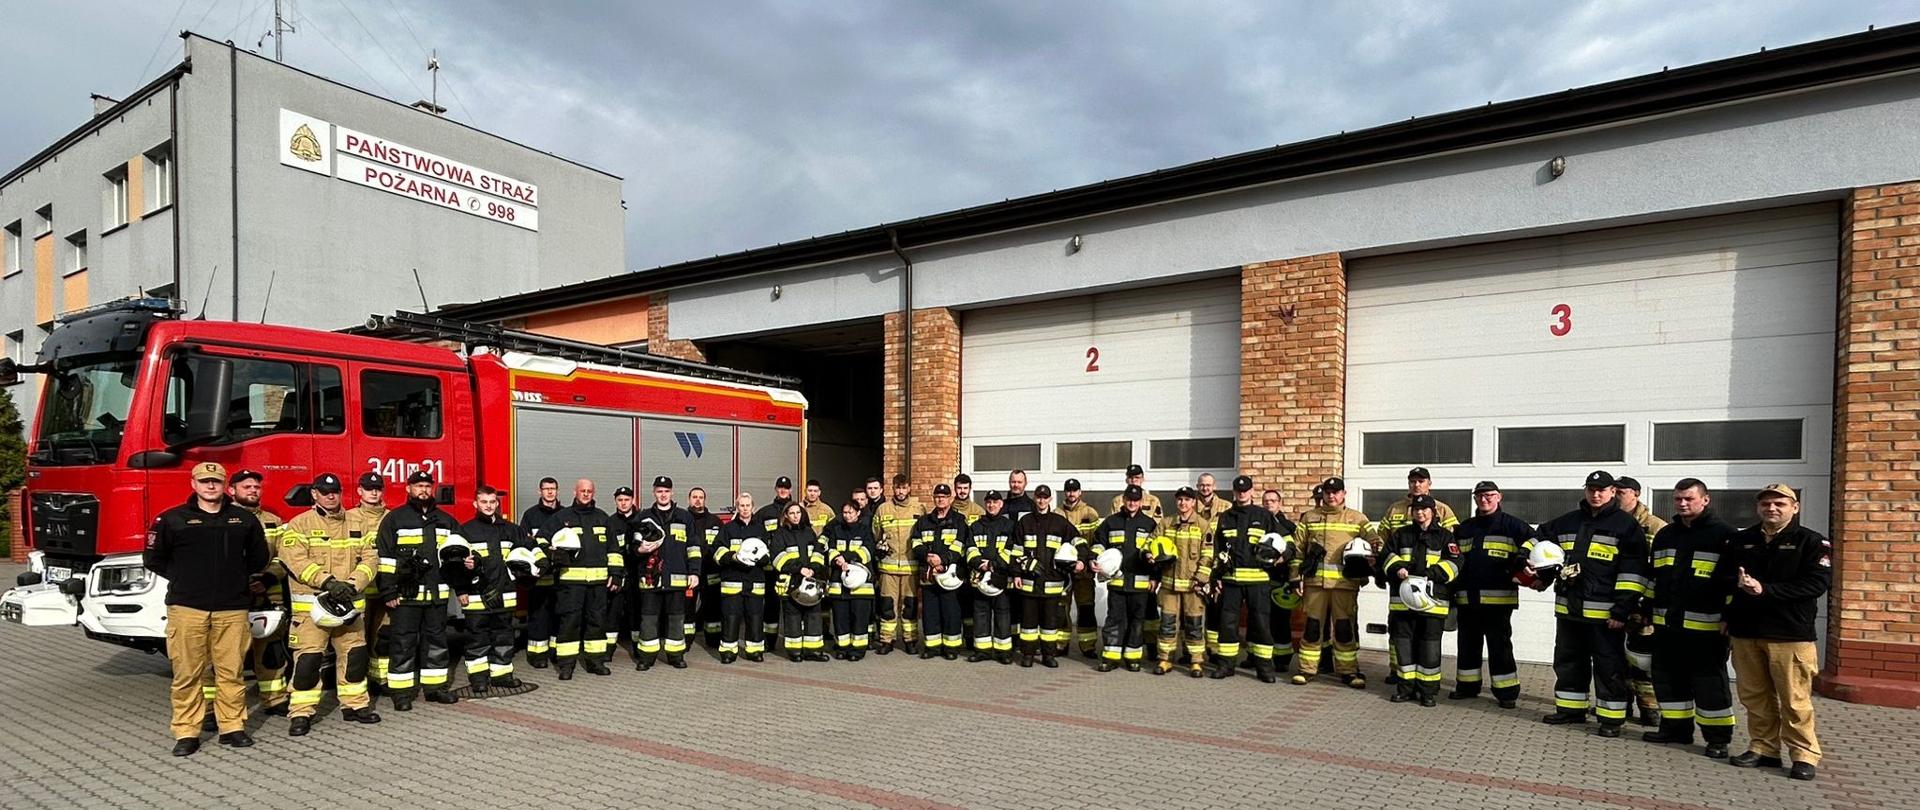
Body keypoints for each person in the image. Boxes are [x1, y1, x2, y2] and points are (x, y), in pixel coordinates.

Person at [146, 462, 270, 756]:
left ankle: (232, 728)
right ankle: (187, 732)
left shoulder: (243, 519)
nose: (210, 486)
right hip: (187, 607)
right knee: (188, 674)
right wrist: (185, 579)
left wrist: (236, 579)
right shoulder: (171, 520)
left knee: (232, 672)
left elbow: (259, 558)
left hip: (233, 608)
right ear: (194, 484)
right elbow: (154, 559)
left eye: (215, 481)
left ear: (224, 485)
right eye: (204, 481)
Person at [1531, 470, 1649, 737]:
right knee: (1568, 662)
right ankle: (1571, 710)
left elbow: (1634, 573)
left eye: (1602, 490)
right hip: (1569, 610)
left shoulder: (1625, 526)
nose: (1596, 494)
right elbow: (1546, 548)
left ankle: (1611, 719)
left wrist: (1622, 610)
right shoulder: (1567, 522)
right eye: (1591, 489)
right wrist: (1538, 572)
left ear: (1612, 492)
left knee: (1609, 667)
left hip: (1605, 615)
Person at [1725, 484, 1829, 781]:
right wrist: (1728, 617)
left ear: (1794, 507)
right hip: (1746, 632)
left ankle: (1804, 755)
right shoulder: (1742, 540)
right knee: (1755, 697)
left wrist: (1765, 589)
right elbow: (1727, 581)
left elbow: (1816, 584)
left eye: (1779, 504)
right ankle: (1764, 748)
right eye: (1766, 504)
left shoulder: (1812, 542)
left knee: (1795, 699)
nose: (1771, 508)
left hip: (1790, 634)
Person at [1641, 478, 1738, 758]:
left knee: (1709, 684)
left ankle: (1717, 738)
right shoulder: (1666, 535)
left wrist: (1729, 618)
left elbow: (1732, 584)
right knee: (1669, 679)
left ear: (1705, 500)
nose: (1683, 503)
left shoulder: (1724, 535)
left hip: (1706, 629)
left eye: (1689, 499)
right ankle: (1676, 729)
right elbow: (1653, 577)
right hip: (1667, 625)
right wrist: (1645, 610)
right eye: (1678, 499)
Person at [279, 473, 381, 736]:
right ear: (314, 494)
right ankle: (301, 713)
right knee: (308, 662)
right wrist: (327, 582)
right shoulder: (299, 524)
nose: (331, 496)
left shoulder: (358, 522)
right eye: (325, 492)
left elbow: (371, 558)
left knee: (356, 658)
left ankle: (355, 705)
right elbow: (295, 561)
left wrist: (352, 584)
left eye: (335, 491)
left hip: (349, 608)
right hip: (312, 610)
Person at [374, 471, 465, 708]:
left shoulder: (446, 521)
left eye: (427, 485)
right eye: (418, 486)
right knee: (403, 643)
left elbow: (458, 556)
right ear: (408, 489)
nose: (423, 490)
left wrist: (463, 576)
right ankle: (402, 694)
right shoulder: (395, 519)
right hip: (406, 596)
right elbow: (385, 559)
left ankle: (434, 688)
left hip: (437, 595)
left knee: (436, 643)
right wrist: (389, 592)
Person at [214, 469, 290, 720]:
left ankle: (274, 698)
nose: (253, 491)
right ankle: (216, 709)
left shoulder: (273, 521)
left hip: (270, 595)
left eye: (256, 487)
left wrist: (268, 578)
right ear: (231, 490)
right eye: (246, 487)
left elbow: (283, 556)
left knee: (271, 651)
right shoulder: (222, 518)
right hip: (233, 597)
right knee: (228, 654)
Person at [1449, 481, 1532, 708]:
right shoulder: (1464, 528)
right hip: (1467, 599)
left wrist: (1522, 564)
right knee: (1467, 645)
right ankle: (1467, 686)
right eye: (1479, 496)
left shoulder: (1514, 526)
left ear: (1499, 497)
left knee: (1500, 647)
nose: (1484, 499)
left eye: (1489, 495)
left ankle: (1506, 693)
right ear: (1475, 499)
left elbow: (1536, 546)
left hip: (1499, 601)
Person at [538, 478, 625, 680]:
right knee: (569, 623)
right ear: (575, 491)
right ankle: (566, 665)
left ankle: (595, 662)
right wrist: (550, 553)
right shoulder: (562, 517)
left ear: (593, 493)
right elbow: (541, 539)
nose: (586, 494)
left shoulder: (603, 518)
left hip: (598, 584)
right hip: (571, 583)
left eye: (589, 491)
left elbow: (614, 549)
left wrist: (616, 574)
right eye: (582, 491)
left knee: (596, 622)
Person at [1293, 477, 1375, 687]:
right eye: (1328, 492)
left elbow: (1375, 542)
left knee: (1343, 629)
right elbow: (1297, 549)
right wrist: (1295, 577)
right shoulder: (1310, 517)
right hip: (1315, 584)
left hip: (1344, 585)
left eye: (1336, 492)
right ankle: (1307, 669)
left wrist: (1370, 560)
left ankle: (1348, 671)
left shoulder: (1357, 518)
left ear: (1343, 494)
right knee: (1312, 628)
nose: (1331, 495)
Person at [1208, 475, 1290, 683]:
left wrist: (1282, 557)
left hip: (1258, 580)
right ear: (1234, 492)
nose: (1241, 493)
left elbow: (1287, 542)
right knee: (1227, 624)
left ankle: (1264, 668)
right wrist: (1215, 576)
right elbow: (1218, 549)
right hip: (1231, 581)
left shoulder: (1264, 516)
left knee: (1261, 624)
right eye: (1238, 490)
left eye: (1245, 490)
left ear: (1252, 491)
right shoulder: (1225, 517)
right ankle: (1226, 665)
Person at [1383, 494, 1459, 706]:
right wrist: (1397, 567)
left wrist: (1432, 573)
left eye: (1424, 509)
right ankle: (1405, 688)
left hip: (1433, 603)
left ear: (1433, 512)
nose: (1420, 512)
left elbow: (1455, 564)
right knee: (1404, 645)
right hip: (1403, 603)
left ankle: (1428, 691)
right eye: (1416, 509)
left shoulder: (1445, 537)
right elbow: (1386, 555)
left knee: (1430, 647)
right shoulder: (1401, 534)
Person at [455, 484, 529, 693]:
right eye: (484, 502)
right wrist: (461, 590)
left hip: (505, 594)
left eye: (492, 502)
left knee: (503, 636)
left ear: (497, 504)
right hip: (476, 597)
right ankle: (478, 678)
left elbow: (526, 553)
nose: (488, 506)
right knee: (477, 639)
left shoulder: (511, 530)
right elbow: (453, 565)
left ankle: (502, 675)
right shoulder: (465, 530)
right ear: (475, 504)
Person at [1617, 476, 1669, 727]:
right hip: (1615, 603)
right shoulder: (1611, 523)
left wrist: (1649, 603)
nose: (1616, 495)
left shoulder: (1656, 527)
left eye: (1621, 491)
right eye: (1613, 491)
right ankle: (1621, 703)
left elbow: (1663, 569)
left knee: (1641, 660)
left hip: (1642, 605)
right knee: (1615, 657)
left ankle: (1650, 709)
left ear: (1635, 494)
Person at [1013, 484, 1083, 668]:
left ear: (1050, 499)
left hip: (1053, 584)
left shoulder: (1059, 522)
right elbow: (1015, 550)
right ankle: (1027, 655)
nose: (1042, 500)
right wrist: (1018, 573)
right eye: (1039, 497)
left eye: (1045, 497)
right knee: (1028, 624)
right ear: (1035, 498)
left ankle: (1048, 656)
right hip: (1029, 584)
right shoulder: (1025, 522)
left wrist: (1082, 559)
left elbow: (1078, 540)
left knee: (1050, 624)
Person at [633, 476, 698, 671]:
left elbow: (693, 547)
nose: (663, 494)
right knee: (649, 619)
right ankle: (647, 656)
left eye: (666, 491)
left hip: (677, 578)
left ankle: (676, 655)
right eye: (659, 491)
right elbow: (633, 544)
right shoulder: (643, 517)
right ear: (654, 492)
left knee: (676, 619)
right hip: (650, 578)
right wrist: (639, 550)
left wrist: (694, 572)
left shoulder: (684, 517)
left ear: (672, 493)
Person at [1092, 485, 1160, 672]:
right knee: (1114, 620)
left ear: (1141, 502)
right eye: (1129, 499)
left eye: (1136, 500)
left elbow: (1156, 553)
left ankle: (1133, 658)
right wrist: (1094, 560)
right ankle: (1111, 658)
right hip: (1117, 584)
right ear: (1123, 500)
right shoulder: (1111, 522)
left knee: (1137, 622)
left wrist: (1155, 577)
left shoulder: (1150, 524)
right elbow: (1098, 543)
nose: (1132, 503)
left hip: (1140, 584)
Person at [1153, 487, 1213, 677]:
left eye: (1187, 500)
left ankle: (1195, 662)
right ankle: (1165, 659)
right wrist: (1149, 554)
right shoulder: (1166, 523)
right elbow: (1151, 542)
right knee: (1167, 625)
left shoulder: (1203, 525)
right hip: (1169, 586)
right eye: (1180, 500)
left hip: (1193, 587)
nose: (1183, 503)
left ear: (1193, 502)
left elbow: (1208, 554)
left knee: (1194, 626)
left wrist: (1200, 580)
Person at [344, 473, 393, 688]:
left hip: (384, 589)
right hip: (359, 590)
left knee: (383, 636)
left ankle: (380, 679)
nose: (373, 492)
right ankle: (355, 680)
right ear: (359, 491)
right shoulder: (348, 517)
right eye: (368, 488)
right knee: (355, 639)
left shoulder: (392, 518)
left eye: (378, 488)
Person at [911, 483, 969, 659]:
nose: (940, 500)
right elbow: (915, 543)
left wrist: (942, 561)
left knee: (951, 612)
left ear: (950, 498)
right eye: (937, 497)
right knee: (930, 613)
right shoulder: (923, 521)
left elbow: (960, 546)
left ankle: (951, 649)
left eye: (943, 497)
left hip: (949, 575)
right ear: (933, 498)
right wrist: (928, 557)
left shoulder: (959, 521)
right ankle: (932, 647)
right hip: (929, 574)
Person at [714, 493, 770, 663]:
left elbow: (768, 552)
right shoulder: (728, 528)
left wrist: (765, 558)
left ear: (753, 507)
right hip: (733, 581)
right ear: (737, 508)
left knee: (755, 617)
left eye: (747, 506)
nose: (745, 509)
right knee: (731, 617)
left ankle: (754, 650)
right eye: (741, 506)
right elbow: (717, 551)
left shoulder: (760, 529)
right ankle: (728, 651)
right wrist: (732, 557)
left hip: (755, 581)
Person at [517, 476, 565, 668]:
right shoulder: (530, 515)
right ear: (540, 492)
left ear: (557, 490)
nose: (550, 492)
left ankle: (555, 652)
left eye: (553, 488)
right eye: (546, 489)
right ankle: (537, 656)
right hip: (538, 577)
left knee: (558, 615)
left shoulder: (565, 514)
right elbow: (524, 542)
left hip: (561, 576)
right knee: (538, 616)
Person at [772, 501, 829, 661]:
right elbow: (777, 558)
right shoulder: (780, 534)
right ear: (786, 516)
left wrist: (813, 567)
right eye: (792, 513)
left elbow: (818, 552)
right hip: (791, 582)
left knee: (813, 615)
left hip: (810, 581)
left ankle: (813, 651)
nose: (795, 516)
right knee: (793, 617)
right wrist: (798, 569)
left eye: (798, 513)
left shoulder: (809, 532)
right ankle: (794, 651)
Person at [874, 474, 924, 654]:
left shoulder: (919, 508)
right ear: (892, 488)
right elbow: (876, 535)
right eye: (897, 488)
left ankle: (910, 641)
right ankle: (887, 641)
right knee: (887, 605)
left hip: (911, 568)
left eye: (904, 487)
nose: (900, 491)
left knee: (910, 606)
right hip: (888, 568)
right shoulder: (882, 509)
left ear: (909, 488)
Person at [965, 491, 1017, 663]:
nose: (992, 505)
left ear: (1001, 504)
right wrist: (981, 563)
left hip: (1000, 579)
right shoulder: (976, 526)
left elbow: (1012, 550)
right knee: (981, 615)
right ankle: (982, 651)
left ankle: (1004, 653)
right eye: (989, 502)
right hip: (980, 579)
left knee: (1003, 616)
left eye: (995, 502)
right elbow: (970, 549)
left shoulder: (1010, 526)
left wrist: (993, 565)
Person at [823, 498, 878, 659]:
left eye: (851, 512)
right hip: (838, 583)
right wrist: (837, 559)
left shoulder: (865, 530)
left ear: (858, 513)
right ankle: (842, 648)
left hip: (860, 585)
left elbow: (868, 551)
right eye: (845, 512)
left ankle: (857, 650)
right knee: (841, 618)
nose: (847, 516)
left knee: (859, 618)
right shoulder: (836, 530)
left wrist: (847, 558)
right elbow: (830, 549)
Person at [1058, 479, 1103, 658]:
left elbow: (1097, 541)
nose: (1071, 494)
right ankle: (1061, 644)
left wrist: (1089, 561)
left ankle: (1088, 645)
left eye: (1074, 491)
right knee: (1061, 608)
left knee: (1085, 608)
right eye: (1068, 491)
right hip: (1063, 572)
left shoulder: (1090, 513)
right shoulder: (1057, 513)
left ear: (1080, 492)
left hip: (1084, 571)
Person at [752, 476, 798, 646]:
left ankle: (793, 638)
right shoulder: (765, 513)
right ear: (776, 489)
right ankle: (769, 640)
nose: (783, 490)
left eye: (786, 488)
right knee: (771, 604)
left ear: (791, 490)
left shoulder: (796, 511)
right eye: (780, 488)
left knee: (793, 603)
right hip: (771, 568)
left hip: (791, 567)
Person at [1259, 489, 1299, 676]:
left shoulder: (1287, 526)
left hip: (1280, 580)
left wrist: (1283, 558)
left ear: (1279, 503)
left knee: (1280, 622)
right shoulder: (1258, 523)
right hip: (1259, 579)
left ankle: (1282, 660)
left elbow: (1293, 549)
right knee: (1260, 620)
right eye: (1266, 501)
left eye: (1273, 501)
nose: (1269, 504)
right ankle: (1256, 657)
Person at [609, 486, 643, 663]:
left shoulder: (641, 520)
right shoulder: (610, 522)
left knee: (635, 614)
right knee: (612, 614)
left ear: (633, 501)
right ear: (616, 501)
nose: (623, 503)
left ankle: (638, 648)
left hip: (636, 574)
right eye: (620, 500)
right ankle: (608, 650)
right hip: (617, 575)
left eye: (626, 500)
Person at [687, 486, 724, 646]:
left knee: (712, 606)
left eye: (700, 497)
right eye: (694, 497)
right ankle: (686, 641)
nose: (697, 500)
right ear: (689, 499)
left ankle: (713, 640)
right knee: (687, 607)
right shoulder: (683, 519)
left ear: (705, 499)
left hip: (711, 571)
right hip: (690, 572)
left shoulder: (715, 522)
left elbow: (722, 545)